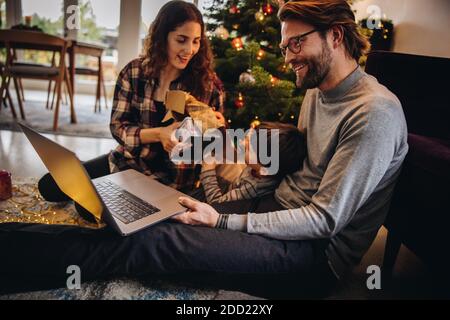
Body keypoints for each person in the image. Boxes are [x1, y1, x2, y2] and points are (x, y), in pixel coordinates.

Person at [0, 0, 408, 298]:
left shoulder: (375, 113)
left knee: (151, 242)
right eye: (284, 47)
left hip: (312, 257)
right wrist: (241, 163)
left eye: (295, 45)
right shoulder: (318, 91)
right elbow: (294, 158)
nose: (288, 58)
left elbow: (324, 220)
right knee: (151, 218)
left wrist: (222, 222)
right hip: (273, 211)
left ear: (335, 35)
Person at [37, 0, 225, 202]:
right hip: (128, 164)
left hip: (172, 184)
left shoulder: (208, 85)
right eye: (181, 40)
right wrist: (159, 134)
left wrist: (213, 131)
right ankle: (94, 174)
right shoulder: (134, 72)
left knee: (89, 210)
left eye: (196, 41)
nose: (190, 49)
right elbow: (117, 127)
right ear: (163, 38)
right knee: (50, 185)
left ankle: (102, 185)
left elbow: (213, 152)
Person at [200, 122, 306, 204]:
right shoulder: (260, 168)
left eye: (248, 149)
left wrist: (208, 171)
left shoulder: (252, 187)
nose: (242, 142)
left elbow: (216, 204)